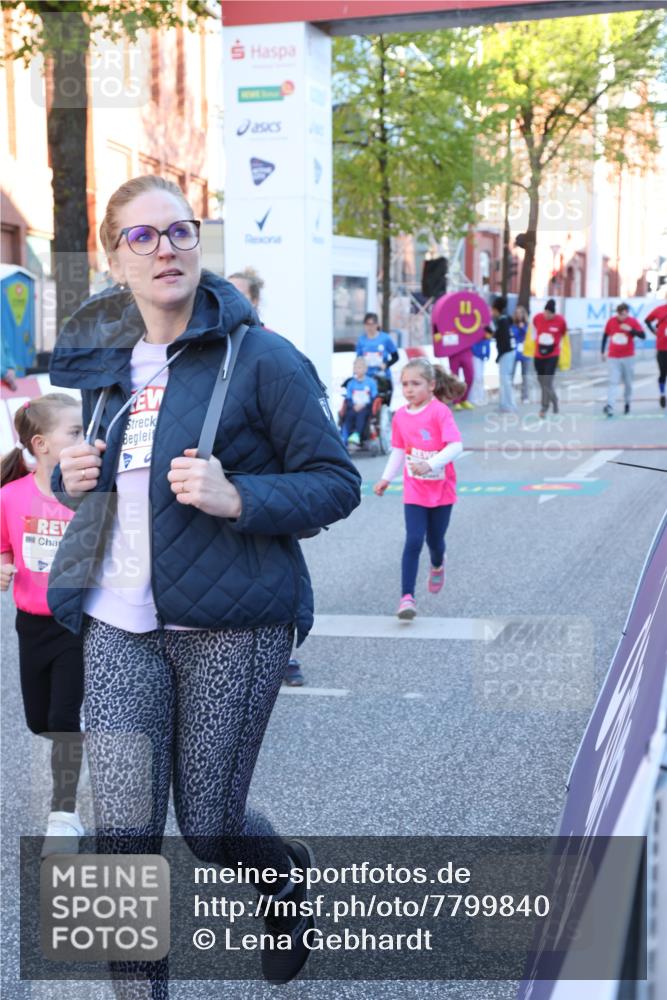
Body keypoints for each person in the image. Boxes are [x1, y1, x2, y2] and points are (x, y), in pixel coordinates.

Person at [47, 174, 361, 993]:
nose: (165, 250)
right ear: (115, 259)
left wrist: (241, 496)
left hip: (234, 624)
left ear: (198, 243)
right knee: (121, 837)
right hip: (119, 622)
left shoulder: (263, 359)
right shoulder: (101, 362)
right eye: (142, 238)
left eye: (179, 232)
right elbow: (94, 481)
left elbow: (335, 480)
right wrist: (68, 479)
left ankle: (282, 881)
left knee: (212, 825)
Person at [0, 394, 85, 854]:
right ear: (42, 444)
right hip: (30, 625)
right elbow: (3, 547)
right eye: (74, 433)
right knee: (40, 721)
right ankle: (70, 759)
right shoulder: (9, 496)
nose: (84, 440)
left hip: (77, 623)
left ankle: (64, 815)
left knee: (63, 719)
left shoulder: (92, 493)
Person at [373, 358, 464, 620]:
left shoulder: (439, 412)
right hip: (414, 490)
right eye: (405, 384)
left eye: (416, 383)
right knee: (413, 540)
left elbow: (456, 446)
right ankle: (407, 598)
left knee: (435, 541)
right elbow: (399, 450)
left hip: (442, 489)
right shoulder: (401, 416)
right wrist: (386, 478)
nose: (409, 389)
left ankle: (437, 564)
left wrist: (431, 463)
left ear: (432, 385)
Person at [601, 302, 645, 416]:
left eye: (624, 314)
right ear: (617, 313)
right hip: (613, 357)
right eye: (620, 314)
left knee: (628, 382)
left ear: (627, 313)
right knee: (613, 381)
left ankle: (627, 402)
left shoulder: (632, 322)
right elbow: (605, 335)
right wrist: (602, 351)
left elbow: (642, 335)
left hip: (628, 357)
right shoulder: (611, 322)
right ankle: (610, 405)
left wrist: (630, 330)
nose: (622, 317)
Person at [531, 298, 567, 418]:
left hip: (552, 355)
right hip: (539, 354)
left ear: (553, 313)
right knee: (541, 381)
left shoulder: (560, 321)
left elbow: (563, 334)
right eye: (545, 313)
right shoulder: (537, 318)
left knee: (547, 381)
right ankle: (554, 399)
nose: (546, 316)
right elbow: (534, 332)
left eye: (549, 314)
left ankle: (544, 407)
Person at [355, 311, 399, 401]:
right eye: (367, 324)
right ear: (364, 325)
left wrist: (386, 365)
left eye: (372, 324)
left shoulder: (385, 338)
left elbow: (396, 357)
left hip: (383, 378)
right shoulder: (361, 340)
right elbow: (358, 359)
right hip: (366, 378)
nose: (370, 327)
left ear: (377, 324)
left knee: (382, 406)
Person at [485, 295, 517, 413]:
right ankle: (504, 404)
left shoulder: (502, 321)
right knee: (504, 380)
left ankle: (509, 405)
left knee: (505, 380)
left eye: (492, 310)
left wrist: (498, 357)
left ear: (496, 309)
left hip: (506, 354)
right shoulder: (505, 319)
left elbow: (503, 340)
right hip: (509, 353)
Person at [341, 355, 377, 446]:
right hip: (353, 406)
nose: (358, 369)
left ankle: (356, 435)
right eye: (356, 367)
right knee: (348, 416)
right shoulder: (351, 383)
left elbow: (374, 397)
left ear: (365, 369)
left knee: (361, 416)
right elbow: (348, 397)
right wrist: (353, 406)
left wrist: (363, 405)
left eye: (360, 367)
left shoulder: (371, 382)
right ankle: (345, 436)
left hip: (366, 407)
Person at [645, 301, 667, 409]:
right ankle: (662, 394)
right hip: (662, 348)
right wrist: (655, 332)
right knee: (663, 373)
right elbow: (647, 320)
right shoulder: (660, 309)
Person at [511, 304, 530, 403]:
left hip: (525, 353)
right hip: (515, 352)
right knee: (512, 374)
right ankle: (510, 396)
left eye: (520, 313)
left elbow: (528, 335)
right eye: (517, 313)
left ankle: (525, 396)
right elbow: (513, 335)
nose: (518, 315)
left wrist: (523, 328)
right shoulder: (513, 325)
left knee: (525, 375)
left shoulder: (527, 325)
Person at [468, 337, 490, 406]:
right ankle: (473, 398)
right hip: (476, 357)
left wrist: (486, 355)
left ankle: (480, 397)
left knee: (480, 378)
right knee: (476, 378)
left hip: (482, 358)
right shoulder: (476, 335)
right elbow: (472, 346)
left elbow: (487, 345)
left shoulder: (485, 336)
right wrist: (478, 354)